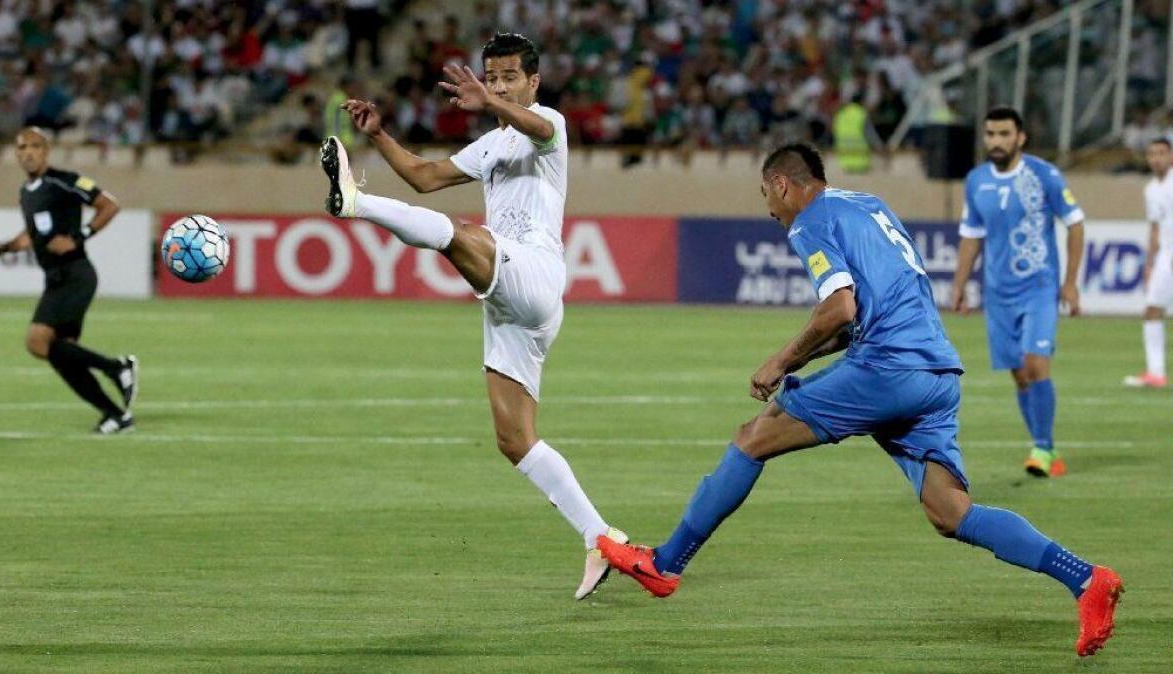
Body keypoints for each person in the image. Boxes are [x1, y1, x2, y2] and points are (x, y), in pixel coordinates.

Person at [597, 144, 1122, 659]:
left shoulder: (809, 222)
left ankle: (666, 564)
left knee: (751, 438)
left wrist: (780, 361)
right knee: (950, 512)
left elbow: (839, 309)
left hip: (888, 368)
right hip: (936, 370)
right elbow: (865, 312)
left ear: (783, 184)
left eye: (766, 195)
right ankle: (1086, 579)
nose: (769, 210)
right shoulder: (870, 205)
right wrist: (804, 358)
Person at [319, 33, 624, 599]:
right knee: (515, 440)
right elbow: (427, 176)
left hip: (533, 271)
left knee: (461, 236)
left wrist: (494, 104)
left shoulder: (546, 125)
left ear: (533, 81)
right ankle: (601, 536)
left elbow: (539, 130)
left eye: (509, 76)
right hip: (511, 307)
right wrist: (380, 135)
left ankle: (356, 203)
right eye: (492, 76)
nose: (499, 84)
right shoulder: (491, 146)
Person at [951, 107, 1085, 478]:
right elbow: (971, 236)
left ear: (1020, 137)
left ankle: (1041, 448)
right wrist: (960, 284)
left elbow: (1075, 225)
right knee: (1020, 374)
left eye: (1004, 134)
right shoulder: (977, 180)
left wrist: (1070, 282)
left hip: (1039, 286)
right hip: (998, 294)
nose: (996, 141)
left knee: (1035, 362)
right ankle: (1048, 449)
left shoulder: (1044, 175)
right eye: (990, 134)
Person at [0, 127, 138, 434]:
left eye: (34, 146)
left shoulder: (65, 181)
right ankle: (116, 415)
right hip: (56, 279)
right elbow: (31, 235)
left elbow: (109, 205)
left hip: (75, 274)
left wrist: (80, 236)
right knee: (63, 355)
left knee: (37, 342)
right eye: (22, 147)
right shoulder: (26, 192)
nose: (27, 152)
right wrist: (0, 249)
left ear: (46, 151)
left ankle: (117, 367)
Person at [1123, 137, 1173, 388]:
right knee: (1152, 310)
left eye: (1162, 153)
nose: (1157, 158)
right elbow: (1155, 227)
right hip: (1166, 257)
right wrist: (1150, 263)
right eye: (1152, 153)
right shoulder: (1151, 189)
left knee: (1154, 310)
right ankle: (1156, 373)